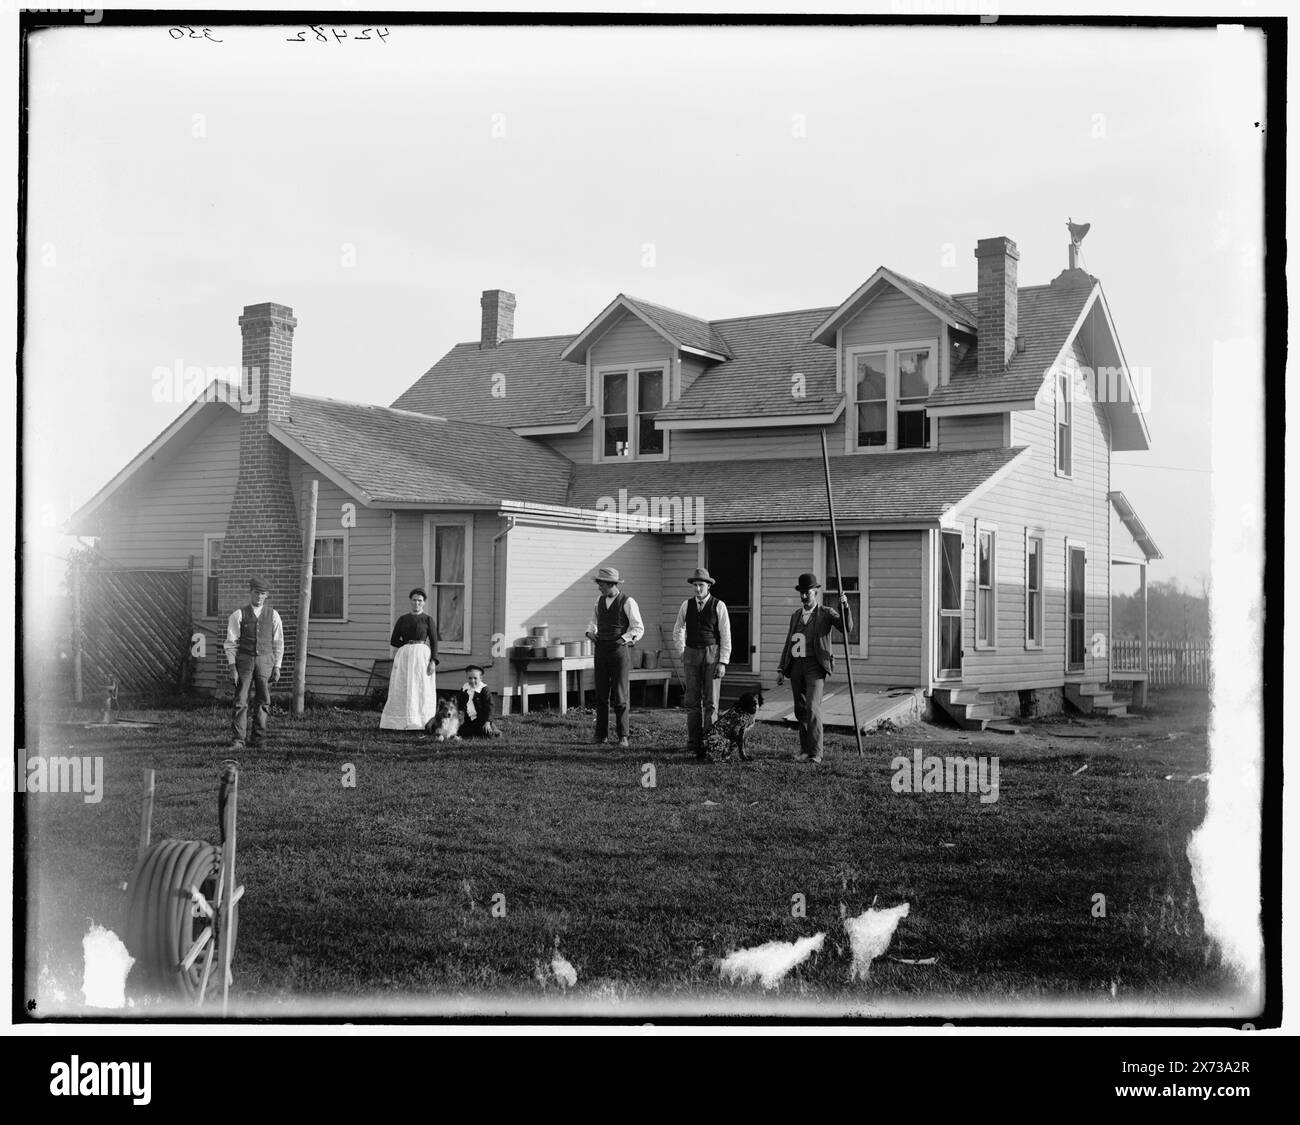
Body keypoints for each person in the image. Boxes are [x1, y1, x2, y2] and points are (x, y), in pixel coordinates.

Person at [776, 572, 854, 764]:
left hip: (815, 666)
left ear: (816, 592)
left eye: (807, 593)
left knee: (812, 707)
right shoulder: (796, 615)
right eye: (801, 593)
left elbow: (846, 627)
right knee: (800, 709)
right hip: (796, 666)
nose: (804, 597)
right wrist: (781, 668)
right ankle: (805, 750)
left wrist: (844, 606)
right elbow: (789, 642)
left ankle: (816, 753)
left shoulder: (826, 613)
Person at [672, 566, 732, 759]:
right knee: (692, 701)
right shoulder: (686, 605)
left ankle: (710, 742)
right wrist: (682, 651)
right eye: (695, 585)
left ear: (708, 586)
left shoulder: (718, 605)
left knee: (711, 702)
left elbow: (725, 635)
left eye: (701, 585)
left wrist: (722, 662)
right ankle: (693, 742)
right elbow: (678, 629)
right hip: (691, 654)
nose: (698, 589)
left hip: (711, 655)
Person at [584, 566, 644, 748]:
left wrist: (623, 639)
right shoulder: (599, 600)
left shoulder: (628, 602)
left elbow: (638, 628)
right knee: (601, 694)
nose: (598, 587)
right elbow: (593, 621)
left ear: (610, 584)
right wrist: (590, 632)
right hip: (601, 649)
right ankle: (600, 735)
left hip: (618, 651)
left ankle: (623, 736)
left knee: (620, 694)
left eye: (600, 584)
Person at [224, 576, 284, 750]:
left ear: (266, 596)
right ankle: (238, 740)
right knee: (241, 700)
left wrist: (277, 666)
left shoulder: (273, 615)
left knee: (263, 700)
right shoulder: (238, 614)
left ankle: (258, 738)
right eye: (256, 593)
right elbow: (230, 643)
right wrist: (232, 667)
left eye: (263, 594)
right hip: (244, 660)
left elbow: (278, 643)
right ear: (250, 593)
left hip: (265, 661)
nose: (259, 596)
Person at [381, 588, 439, 730]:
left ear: (424, 603)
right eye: (414, 600)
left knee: (421, 686)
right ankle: (400, 721)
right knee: (403, 685)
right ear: (410, 601)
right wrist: (407, 646)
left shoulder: (427, 620)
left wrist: (433, 661)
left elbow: (434, 642)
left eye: (420, 600)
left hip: (422, 656)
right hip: (405, 656)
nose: (417, 603)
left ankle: (421, 721)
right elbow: (394, 640)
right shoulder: (403, 619)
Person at [457, 664, 501, 738]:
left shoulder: (484, 689)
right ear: (466, 677)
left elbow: (489, 707)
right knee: (461, 732)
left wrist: (487, 722)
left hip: (482, 720)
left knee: (488, 734)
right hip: (469, 720)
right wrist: (459, 713)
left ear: (481, 678)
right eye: (470, 678)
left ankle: (494, 730)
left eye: (475, 678)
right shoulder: (465, 688)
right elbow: (460, 702)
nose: (472, 681)